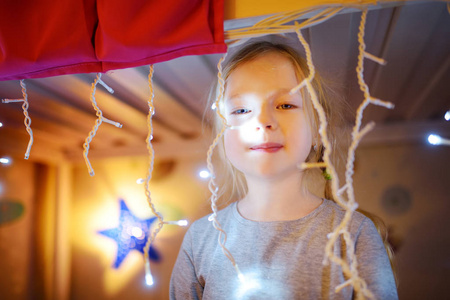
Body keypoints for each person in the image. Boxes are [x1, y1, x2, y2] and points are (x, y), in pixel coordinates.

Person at [170, 41, 398, 299]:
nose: (262, 121)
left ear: (318, 130)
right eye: (241, 109)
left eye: (285, 105)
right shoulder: (200, 238)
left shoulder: (355, 234)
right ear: (222, 136)